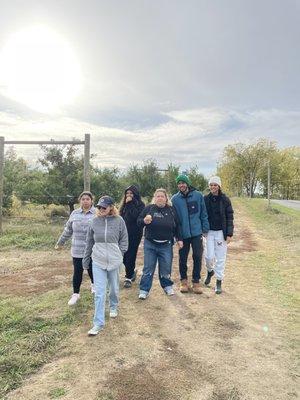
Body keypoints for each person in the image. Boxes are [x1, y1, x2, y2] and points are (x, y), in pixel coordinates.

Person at [82, 196, 128, 336]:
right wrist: (86, 260)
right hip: (98, 260)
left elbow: (124, 240)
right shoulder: (94, 222)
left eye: (104, 207)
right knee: (99, 292)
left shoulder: (119, 221)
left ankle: (113, 305)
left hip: (114, 260)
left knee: (113, 288)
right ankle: (98, 323)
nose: (101, 209)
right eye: (99, 207)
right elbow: (89, 242)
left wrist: (119, 253)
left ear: (111, 207)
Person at [137, 188, 183, 299]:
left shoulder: (171, 210)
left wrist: (179, 239)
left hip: (166, 244)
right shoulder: (149, 209)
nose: (160, 198)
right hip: (150, 244)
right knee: (148, 268)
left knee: (166, 267)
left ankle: (167, 286)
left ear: (166, 198)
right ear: (154, 198)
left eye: (162, 196)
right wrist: (144, 221)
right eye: (158, 196)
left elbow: (178, 225)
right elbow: (138, 221)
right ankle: (144, 289)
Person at [55, 191, 95, 306]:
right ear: (80, 200)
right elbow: (68, 230)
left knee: (92, 269)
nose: (85, 201)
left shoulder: (97, 213)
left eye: (88, 199)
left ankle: (94, 285)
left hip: (92, 249)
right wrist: (60, 242)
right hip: (77, 249)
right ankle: (76, 294)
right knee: (78, 271)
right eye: (83, 199)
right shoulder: (74, 214)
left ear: (91, 200)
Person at [171, 174, 209, 294]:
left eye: (183, 182)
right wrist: (177, 235)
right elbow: (174, 219)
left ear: (187, 183)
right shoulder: (174, 199)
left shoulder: (198, 196)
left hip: (197, 233)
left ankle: (196, 282)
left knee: (197, 256)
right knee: (182, 258)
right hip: (183, 234)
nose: (181, 185)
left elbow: (203, 213)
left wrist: (205, 228)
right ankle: (183, 281)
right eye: (179, 183)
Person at [204, 176, 234, 294]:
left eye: (215, 185)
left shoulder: (225, 200)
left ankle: (218, 281)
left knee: (220, 257)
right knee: (208, 256)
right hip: (209, 232)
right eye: (211, 185)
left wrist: (229, 233)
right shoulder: (205, 199)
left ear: (219, 186)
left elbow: (230, 216)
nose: (213, 187)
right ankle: (210, 271)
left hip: (221, 232)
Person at [119, 185, 145, 288]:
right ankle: (132, 271)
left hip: (135, 233)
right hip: (123, 234)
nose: (129, 195)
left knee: (130, 254)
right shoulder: (123, 205)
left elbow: (135, 217)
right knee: (123, 256)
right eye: (127, 193)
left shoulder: (140, 205)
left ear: (135, 194)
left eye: (131, 193)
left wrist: (130, 204)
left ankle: (128, 277)